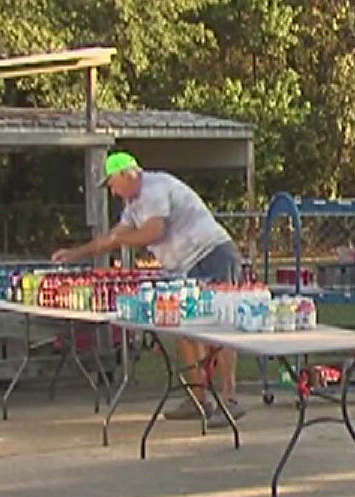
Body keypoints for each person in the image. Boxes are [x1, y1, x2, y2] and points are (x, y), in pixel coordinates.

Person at [53, 152, 245, 419]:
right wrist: (75, 253)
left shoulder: (154, 187)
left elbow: (154, 232)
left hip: (212, 254)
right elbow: (112, 237)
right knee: (185, 331)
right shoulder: (133, 206)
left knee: (221, 327)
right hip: (184, 267)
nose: (112, 190)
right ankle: (198, 400)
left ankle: (230, 398)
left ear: (127, 174)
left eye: (112, 182)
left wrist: (121, 239)